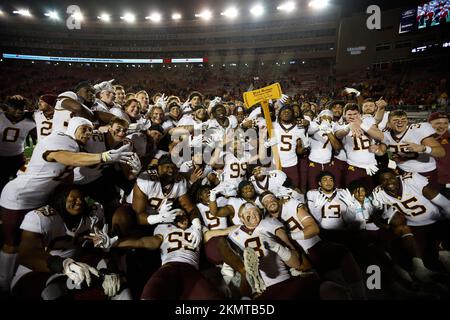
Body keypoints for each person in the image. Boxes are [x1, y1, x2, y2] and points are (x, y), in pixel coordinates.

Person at [0, 117, 134, 292]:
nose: (88, 133)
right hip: (20, 197)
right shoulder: (62, 139)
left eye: (90, 130)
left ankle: (44, 273)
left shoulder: (76, 145)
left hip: (44, 196)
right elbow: (64, 156)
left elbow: (68, 176)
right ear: (73, 127)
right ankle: (4, 286)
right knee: (13, 244)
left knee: (42, 238)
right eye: (84, 129)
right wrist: (103, 156)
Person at [10, 186, 130, 300]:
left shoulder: (90, 214)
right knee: (54, 290)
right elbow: (26, 255)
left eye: (82, 199)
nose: (79, 202)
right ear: (61, 199)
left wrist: (104, 244)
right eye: (74, 199)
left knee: (117, 280)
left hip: (78, 266)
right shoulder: (43, 218)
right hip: (39, 271)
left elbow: (97, 239)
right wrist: (64, 265)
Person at [115, 210, 223, 300]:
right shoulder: (164, 228)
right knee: (149, 295)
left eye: (185, 215)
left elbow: (218, 232)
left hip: (190, 270)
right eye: (178, 216)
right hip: (169, 268)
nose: (183, 218)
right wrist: (115, 243)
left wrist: (238, 228)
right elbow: (142, 242)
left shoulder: (197, 228)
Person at [372, 169, 450, 277]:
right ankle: (419, 268)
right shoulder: (378, 193)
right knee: (398, 228)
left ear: (396, 175)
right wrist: (386, 220)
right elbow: (380, 216)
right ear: (380, 183)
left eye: (390, 178)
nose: (389, 182)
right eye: (384, 180)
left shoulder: (410, 180)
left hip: (436, 220)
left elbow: (446, 204)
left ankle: (443, 251)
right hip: (414, 226)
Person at [382, 110, 445, 189]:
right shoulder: (385, 134)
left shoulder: (417, 130)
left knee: (429, 198)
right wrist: (394, 164)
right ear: (389, 123)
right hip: (403, 171)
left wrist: (423, 148)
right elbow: (390, 153)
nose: (400, 122)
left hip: (424, 172)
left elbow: (441, 152)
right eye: (395, 120)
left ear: (407, 121)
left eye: (403, 120)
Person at [0, 96, 36, 194]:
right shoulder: (1, 116)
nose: (19, 110)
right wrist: (8, 98)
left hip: (19, 158)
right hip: (1, 159)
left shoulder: (31, 119)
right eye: (15, 107)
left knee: (23, 179)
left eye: (21, 107)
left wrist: (25, 100)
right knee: (2, 183)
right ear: (7, 107)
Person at [428, 111, 450, 198]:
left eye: (445, 123)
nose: (442, 126)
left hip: (446, 184)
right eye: (438, 123)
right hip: (426, 184)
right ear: (429, 124)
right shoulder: (419, 138)